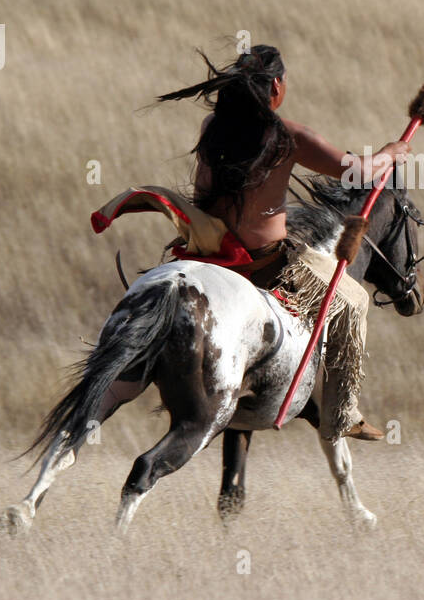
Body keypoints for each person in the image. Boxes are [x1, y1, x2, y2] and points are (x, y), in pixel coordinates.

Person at [156, 45, 409, 441]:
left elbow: (202, 190)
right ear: (276, 86)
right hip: (265, 260)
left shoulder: (211, 127)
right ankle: (342, 413)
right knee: (356, 301)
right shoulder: (286, 136)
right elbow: (357, 172)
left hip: (209, 251)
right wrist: (390, 154)